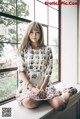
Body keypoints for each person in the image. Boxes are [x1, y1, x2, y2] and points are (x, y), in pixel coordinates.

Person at [16, 21, 77, 111]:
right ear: (28, 33)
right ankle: (46, 98)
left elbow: (48, 70)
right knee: (28, 103)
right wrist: (32, 88)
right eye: (32, 32)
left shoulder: (47, 50)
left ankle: (67, 92)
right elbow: (21, 71)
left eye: (37, 32)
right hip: (29, 86)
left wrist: (43, 88)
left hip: (45, 85)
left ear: (41, 34)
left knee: (60, 105)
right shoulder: (23, 49)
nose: (34, 35)